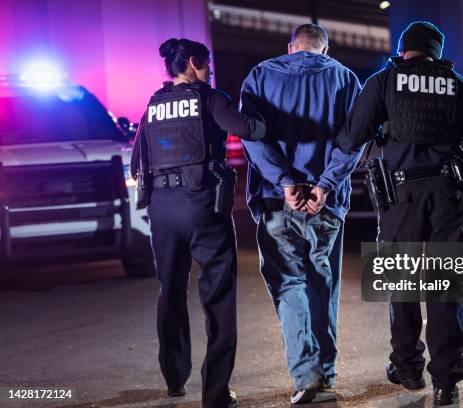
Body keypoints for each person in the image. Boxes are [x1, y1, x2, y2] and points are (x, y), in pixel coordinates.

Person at [337, 21, 463, 406]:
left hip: (401, 195)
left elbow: (350, 137)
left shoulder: (384, 81)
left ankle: (408, 368)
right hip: (450, 194)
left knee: (402, 282)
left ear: (403, 49)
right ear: (437, 52)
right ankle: (446, 382)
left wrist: (379, 129)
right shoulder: (459, 85)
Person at [130, 38, 265, 408]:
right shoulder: (209, 97)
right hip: (204, 208)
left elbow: (135, 163)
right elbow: (249, 129)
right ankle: (216, 395)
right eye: (205, 64)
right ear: (192, 63)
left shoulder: (153, 105)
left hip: (162, 211)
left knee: (170, 291)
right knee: (218, 298)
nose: (208, 71)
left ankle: (174, 379)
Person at [239, 24, 363, 404]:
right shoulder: (344, 78)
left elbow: (250, 136)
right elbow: (354, 139)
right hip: (325, 202)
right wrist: (324, 185)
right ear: (325, 49)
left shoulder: (260, 75)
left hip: (279, 202)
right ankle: (325, 374)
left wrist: (284, 181)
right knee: (322, 285)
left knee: (290, 286)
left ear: (290, 46)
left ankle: (306, 376)